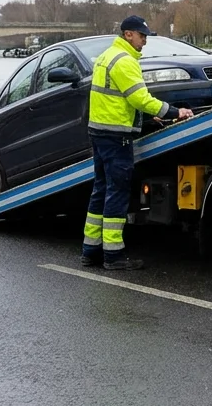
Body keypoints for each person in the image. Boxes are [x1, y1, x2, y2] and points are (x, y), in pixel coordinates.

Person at [81, 15, 194, 270]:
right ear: (128, 34)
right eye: (142, 36)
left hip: (99, 132)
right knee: (117, 192)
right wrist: (175, 112)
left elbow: (119, 99)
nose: (145, 41)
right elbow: (140, 98)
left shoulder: (107, 56)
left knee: (100, 190)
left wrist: (145, 114)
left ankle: (91, 250)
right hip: (116, 136)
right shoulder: (125, 61)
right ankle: (113, 255)